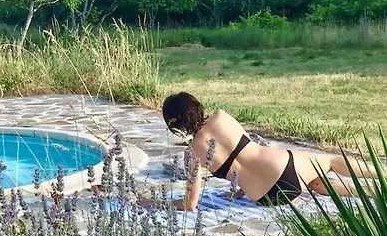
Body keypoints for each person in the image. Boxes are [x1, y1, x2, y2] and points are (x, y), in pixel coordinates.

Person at [156, 92, 378, 210]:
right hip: (282, 169)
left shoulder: (191, 154)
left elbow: (190, 204)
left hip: (267, 197)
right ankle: (381, 175)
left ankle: (371, 192)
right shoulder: (220, 116)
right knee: (329, 161)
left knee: (315, 182)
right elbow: (245, 151)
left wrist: (156, 203)